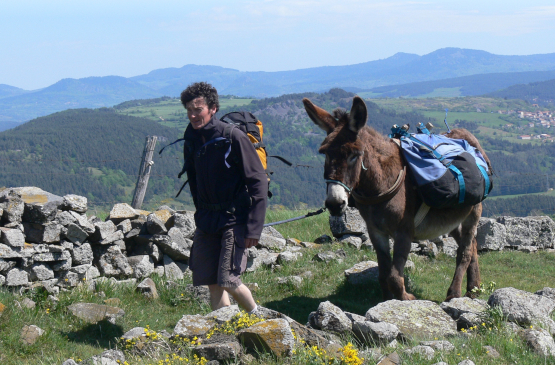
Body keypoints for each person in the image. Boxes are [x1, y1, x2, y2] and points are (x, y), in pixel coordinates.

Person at [180, 82, 267, 313]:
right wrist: (200, 212)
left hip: (233, 219)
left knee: (228, 278)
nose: (193, 115)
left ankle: (259, 321)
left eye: (198, 109)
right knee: (211, 280)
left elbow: (257, 181)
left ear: (213, 108)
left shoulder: (233, 137)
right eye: (189, 109)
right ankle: (224, 327)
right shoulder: (191, 139)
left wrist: (253, 228)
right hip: (207, 220)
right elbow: (194, 181)